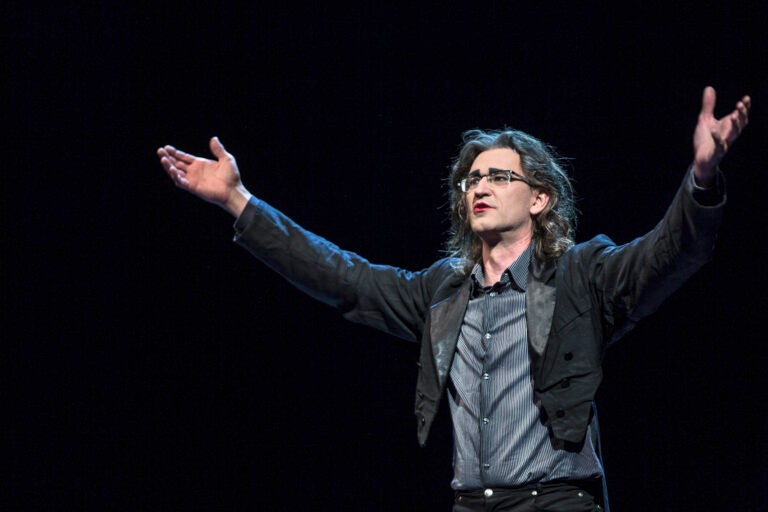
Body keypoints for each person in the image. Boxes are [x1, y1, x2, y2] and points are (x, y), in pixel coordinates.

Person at [157, 86, 750, 512]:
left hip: (556, 501)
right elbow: (343, 277)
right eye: (473, 180)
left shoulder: (580, 275)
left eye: (499, 177)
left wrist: (701, 179)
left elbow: (667, 255)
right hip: (471, 503)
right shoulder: (442, 291)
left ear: (539, 199)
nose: (480, 187)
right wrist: (238, 201)